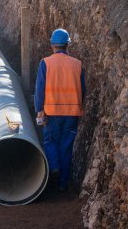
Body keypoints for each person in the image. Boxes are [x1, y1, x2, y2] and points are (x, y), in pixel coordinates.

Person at [34, 29, 85, 193]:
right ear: (67, 44)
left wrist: (39, 110)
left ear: (52, 46)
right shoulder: (77, 64)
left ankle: (54, 166)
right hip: (72, 113)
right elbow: (83, 89)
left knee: (50, 142)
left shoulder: (46, 63)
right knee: (66, 147)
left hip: (52, 112)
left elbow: (39, 88)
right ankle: (63, 183)